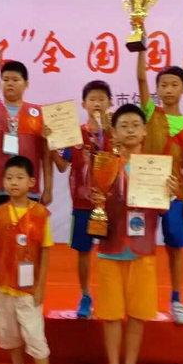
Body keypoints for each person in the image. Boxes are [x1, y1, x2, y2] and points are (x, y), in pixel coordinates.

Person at [93, 104, 178, 364]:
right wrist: (95, 196)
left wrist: (169, 193)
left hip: (142, 249)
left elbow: (162, 209)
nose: (130, 130)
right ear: (114, 133)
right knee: (111, 315)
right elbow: (94, 201)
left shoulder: (156, 166)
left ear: (144, 131)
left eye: (135, 125)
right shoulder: (105, 164)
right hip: (111, 247)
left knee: (137, 315)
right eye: (123, 125)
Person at [137, 52, 183, 324]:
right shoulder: (151, 114)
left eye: (174, 84)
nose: (168, 89)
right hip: (145, 193)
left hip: (175, 194)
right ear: (157, 89)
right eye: (163, 85)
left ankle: (176, 300)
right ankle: (142, 299)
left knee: (175, 248)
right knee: (142, 246)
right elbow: (141, 78)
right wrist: (140, 46)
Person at [0, 156, 56, 364]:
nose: (14, 182)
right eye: (9, 178)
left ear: (31, 182)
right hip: (4, 286)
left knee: (35, 337)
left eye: (19, 177)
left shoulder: (39, 214)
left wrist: (41, 285)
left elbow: (46, 251)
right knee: (10, 333)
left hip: (28, 289)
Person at [47, 80, 113, 319]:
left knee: (110, 251)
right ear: (84, 104)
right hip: (83, 204)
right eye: (92, 99)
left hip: (111, 205)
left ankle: (109, 294)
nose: (97, 103)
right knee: (84, 251)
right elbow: (62, 166)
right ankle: (85, 295)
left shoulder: (115, 133)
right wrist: (51, 144)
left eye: (102, 99)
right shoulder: (76, 134)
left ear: (109, 103)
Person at [0, 60, 53, 241]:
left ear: (26, 84)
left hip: (28, 189)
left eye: (15, 80)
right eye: (6, 79)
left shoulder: (38, 113)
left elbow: (47, 156)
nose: (10, 83)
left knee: (28, 243)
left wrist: (48, 188)